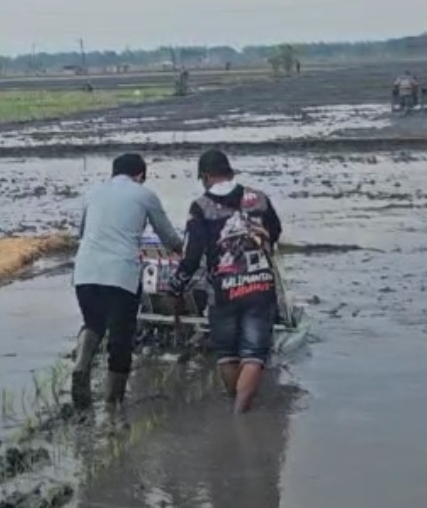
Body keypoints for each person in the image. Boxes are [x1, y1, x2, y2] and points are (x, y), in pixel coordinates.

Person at [167, 149, 283, 413]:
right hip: (259, 286)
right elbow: (275, 231)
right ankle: (241, 412)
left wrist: (176, 286)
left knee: (226, 353)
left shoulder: (200, 207)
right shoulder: (259, 198)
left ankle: (238, 409)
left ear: (206, 177)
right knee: (254, 352)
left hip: (223, 290)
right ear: (230, 172)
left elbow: (192, 255)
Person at [71, 153, 183, 409]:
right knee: (121, 336)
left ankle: (81, 363)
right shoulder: (145, 195)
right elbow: (168, 236)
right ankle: (113, 402)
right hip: (120, 273)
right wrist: (181, 252)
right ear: (141, 175)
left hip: (85, 271)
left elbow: (82, 233)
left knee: (93, 323)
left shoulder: (93, 193)